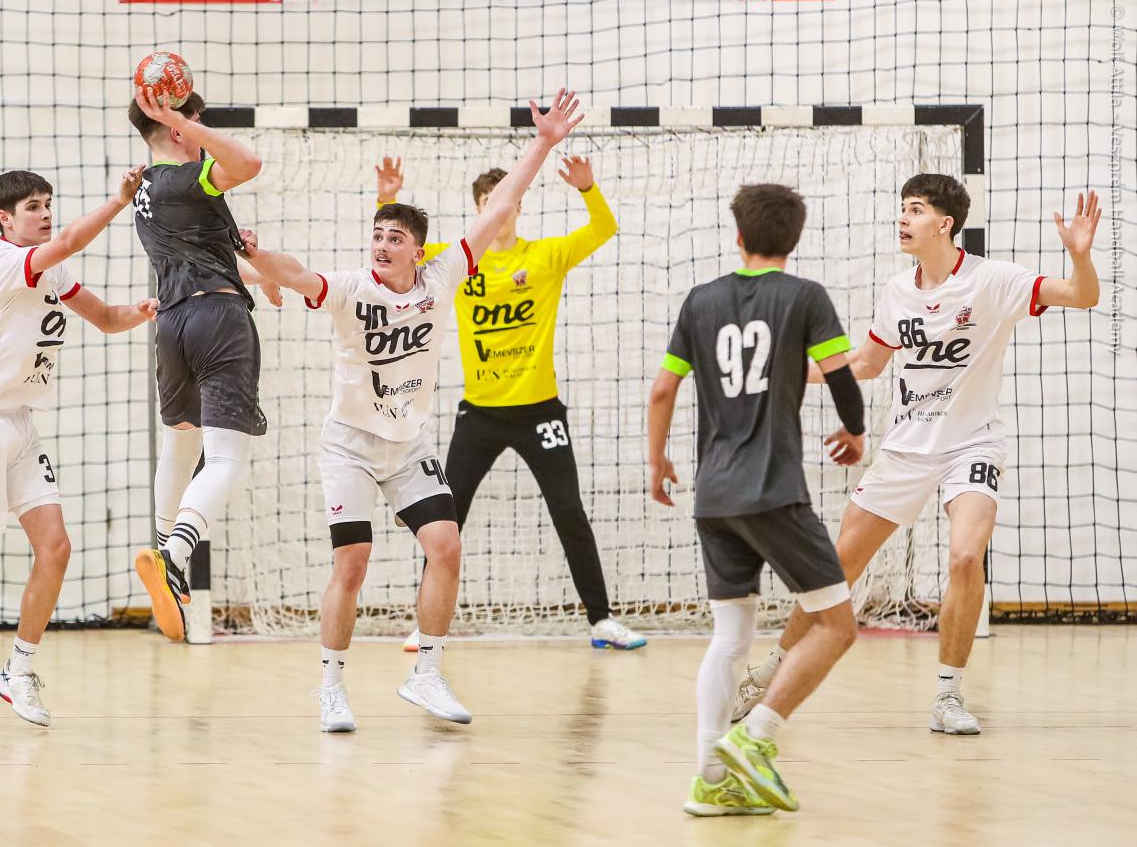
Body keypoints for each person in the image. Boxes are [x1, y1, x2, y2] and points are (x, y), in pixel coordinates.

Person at [239, 89, 585, 732]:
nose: (381, 244)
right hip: (348, 445)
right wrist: (257, 258)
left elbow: (500, 206)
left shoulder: (443, 277)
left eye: (394, 238)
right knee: (353, 562)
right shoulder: (351, 289)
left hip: (408, 446)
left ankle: (426, 673)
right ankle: (331, 687)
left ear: (417, 251)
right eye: (376, 235)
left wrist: (543, 142)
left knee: (445, 546)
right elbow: (297, 272)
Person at [730, 176, 1103, 736]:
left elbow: (1081, 295)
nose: (903, 218)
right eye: (902, 208)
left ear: (945, 224)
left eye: (916, 209)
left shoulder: (993, 280)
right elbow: (865, 364)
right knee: (837, 569)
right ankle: (769, 672)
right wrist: (786, 372)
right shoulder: (897, 291)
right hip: (907, 448)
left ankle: (948, 694)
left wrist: (1079, 255)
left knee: (965, 558)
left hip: (973, 443)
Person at [0, 166, 156, 729]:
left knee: (56, 548)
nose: (44, 213)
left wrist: (144, 311)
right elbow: (69, 240)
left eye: (47, 203)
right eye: (32, 207)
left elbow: (106, 319)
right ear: (5, 219)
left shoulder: (50, 270)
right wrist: (119, 202)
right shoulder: (7, 264)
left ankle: (17, 671)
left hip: (19, 423)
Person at [647, 184, 866, 814]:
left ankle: (710, 778)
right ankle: (757, 735)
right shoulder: (804, 297)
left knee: (731, 636)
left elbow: (662, 391)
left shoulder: (700, 300)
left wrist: (657, 460)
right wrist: (854, 431)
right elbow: (841, 377)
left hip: (713, 495)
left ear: (738, 236)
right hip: (772, 490)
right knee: (836, 624)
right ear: (794, 239)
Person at [375, 155, 645, 651]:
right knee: (445, 519)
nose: (498, 209)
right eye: (487, 202)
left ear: (518, 206)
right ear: (480, 210)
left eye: (506, 200)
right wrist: (388, 199)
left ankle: (601, 619)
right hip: (480, 414)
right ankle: (426, 624)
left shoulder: (545, 256)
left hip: (540, 411)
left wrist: (588, 187)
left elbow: (604, 228)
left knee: (569, 510)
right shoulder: (457, 261)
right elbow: (401, 257)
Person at [126, 86, 280, 643]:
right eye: (194, 127)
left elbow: (211, 250)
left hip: (172, 326)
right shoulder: (184, 178)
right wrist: (183, 121)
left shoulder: (144, 189)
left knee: (181, 444)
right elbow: (249, 163)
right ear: (176, 130)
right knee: (226, 458)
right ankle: (175, 554)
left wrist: (261, 270)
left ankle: (164, 551)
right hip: (217, 320)